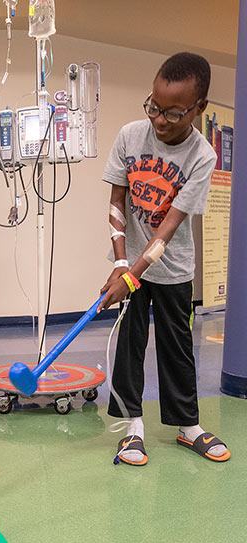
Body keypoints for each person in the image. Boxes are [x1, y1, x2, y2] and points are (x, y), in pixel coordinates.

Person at [99, 52, 229, 465]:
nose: (158, 120)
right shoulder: (130, 135)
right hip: (131, 262)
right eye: (153, 107)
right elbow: (117, 201)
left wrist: (130, 276)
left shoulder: (202, 156)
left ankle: (187, 427)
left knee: (177, 347)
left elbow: (168, 229)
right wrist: (121, 265)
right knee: (130, 345)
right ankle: (131, 429)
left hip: (172, 269)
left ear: (198, 108)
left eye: (172, 113)